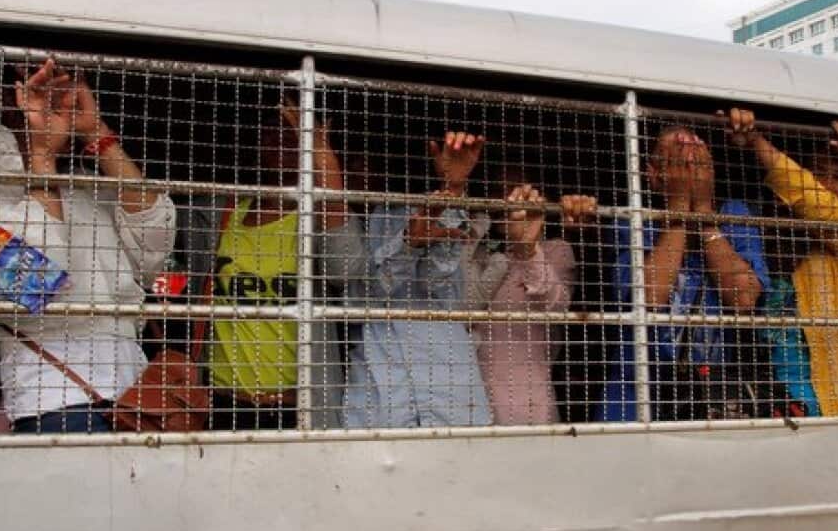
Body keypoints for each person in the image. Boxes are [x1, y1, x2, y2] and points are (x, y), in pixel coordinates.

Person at [0, 60, 176, 433]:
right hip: (54, 398)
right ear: (9, 101)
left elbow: (156, 247)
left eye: (65, 87)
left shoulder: (89, 183)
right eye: (39, 87)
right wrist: (41, 154)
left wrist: (97, 133)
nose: (52, 99)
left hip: (135, 392)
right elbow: (35, 283)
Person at [208, 103, 363, 430]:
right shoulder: (224, 212)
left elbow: (345, 268)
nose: (282, 144)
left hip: (296, 408)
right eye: (271, 133)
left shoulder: (315, 216)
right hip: (222, 402)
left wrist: (323, 154)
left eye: (292, 135)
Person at [599, 125, 770, 422]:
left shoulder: (734, 214)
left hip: (713, 399)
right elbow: (648, 297)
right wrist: (679, 208)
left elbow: (744, 299)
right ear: (653, 175)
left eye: (697, 162)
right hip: (637, 399)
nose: (689, 168)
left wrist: (703, 214)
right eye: (678, 161)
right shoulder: (633, 219)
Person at [723, 109, 838, 417]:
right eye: (819, 174)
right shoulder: (758, 233)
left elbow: (817, 206)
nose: (828, 186)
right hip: (764, 403)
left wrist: (757, 143)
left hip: (834, 404)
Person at [343, 131, 493, 428]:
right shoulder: (337, 219)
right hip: (380, 391)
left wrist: (453, 187)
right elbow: (359, 296)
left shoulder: (414, 209)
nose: (361, 170)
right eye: (353, 162)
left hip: (450, 388)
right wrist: (409, 244)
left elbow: (441, 285)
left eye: (368, 162)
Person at [464, 175, 579, 424]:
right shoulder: (480, 254)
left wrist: (527, 247)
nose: (510, 199)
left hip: (526, 405)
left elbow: (558, 306)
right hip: (466, 400)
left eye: (518, 189)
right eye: (500, 192)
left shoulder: (555, 250)